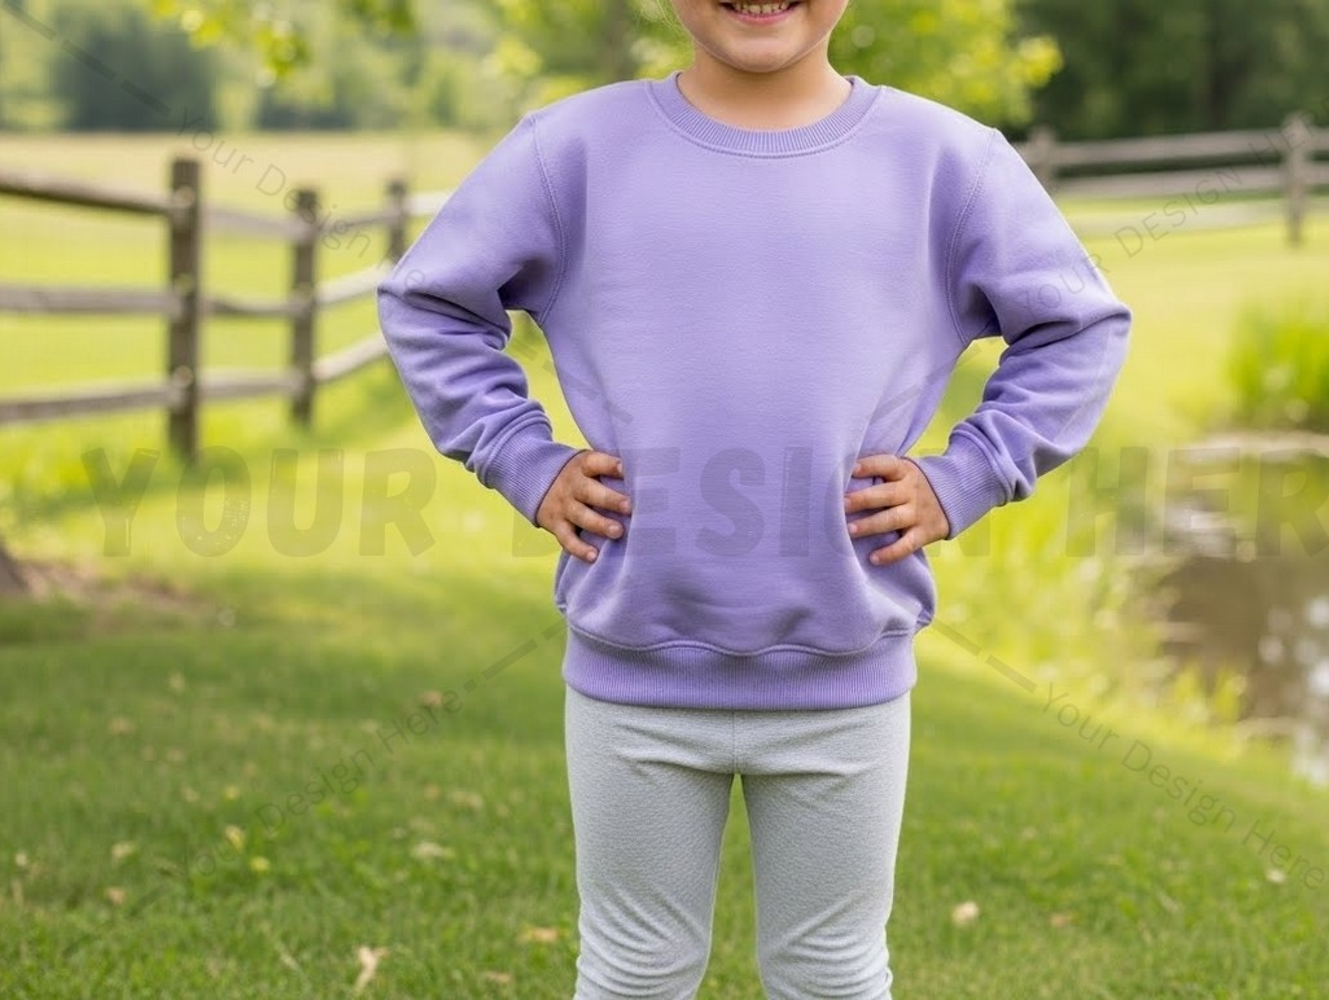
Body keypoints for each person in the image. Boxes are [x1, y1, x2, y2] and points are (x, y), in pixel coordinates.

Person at [376, 1, 1130, 995]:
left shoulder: (948, 161)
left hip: (846, 676)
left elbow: (1079, 326)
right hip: (632, 676)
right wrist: (522, 456)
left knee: (831, 974)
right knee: (633, 972)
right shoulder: (572, 152)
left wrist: (972, 471)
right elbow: (428, 300)